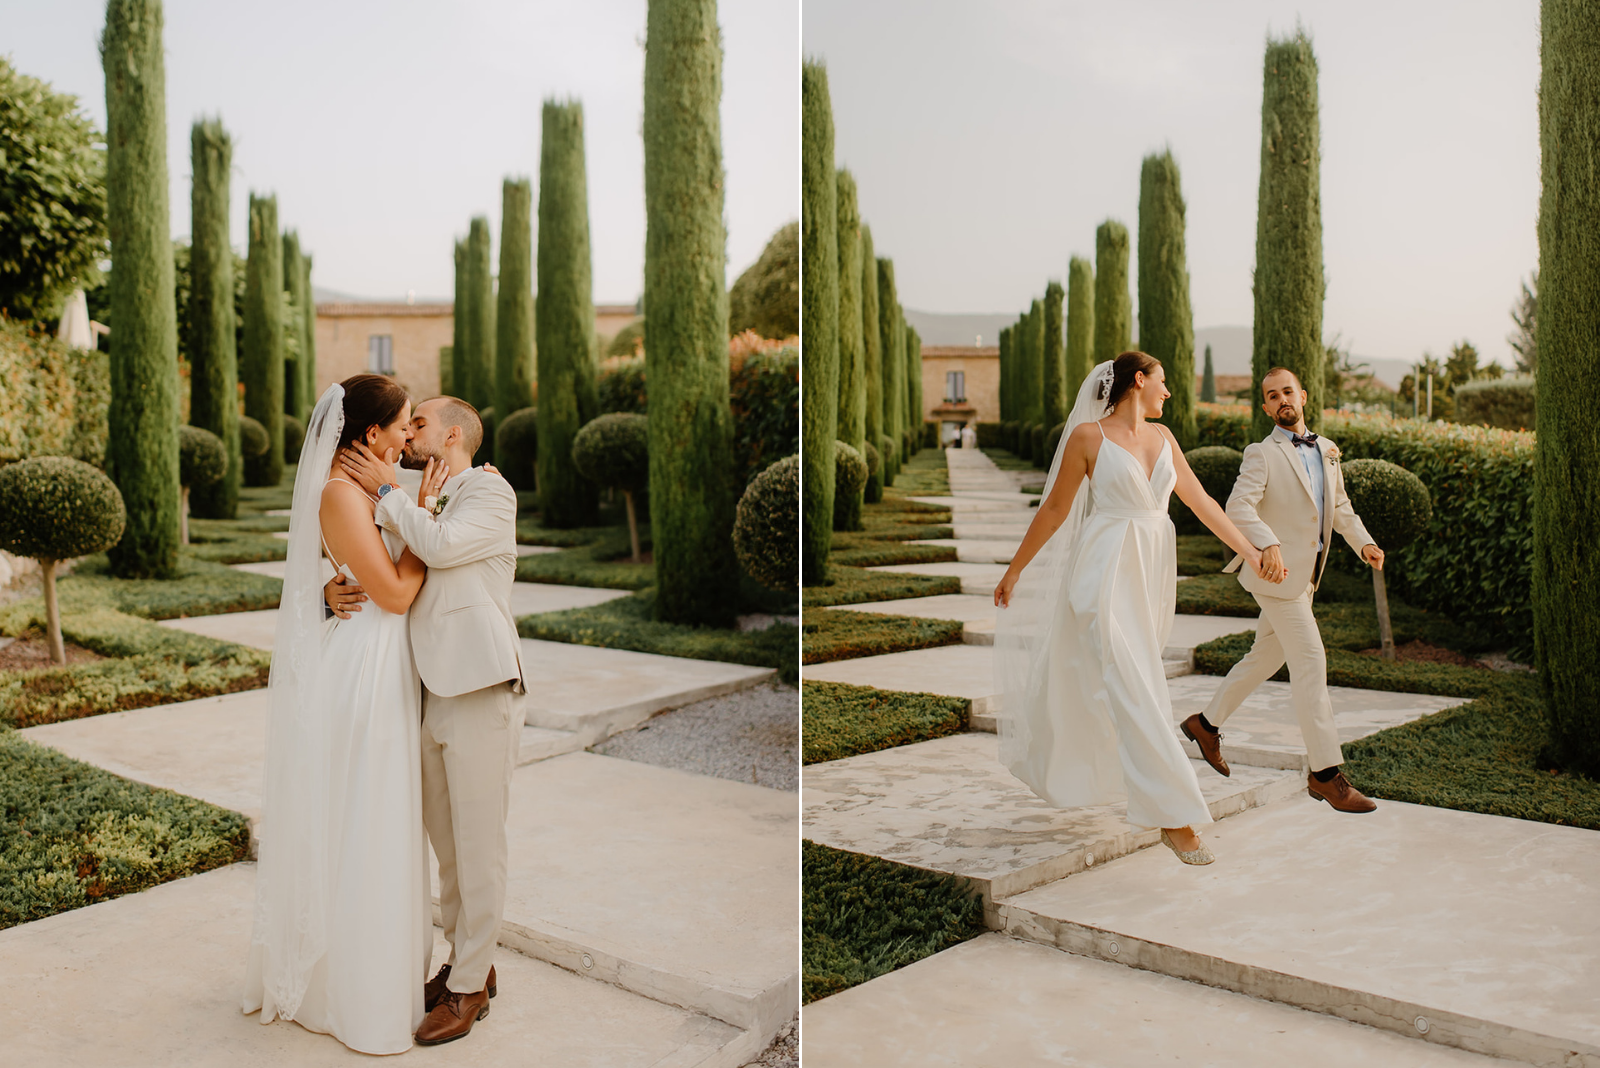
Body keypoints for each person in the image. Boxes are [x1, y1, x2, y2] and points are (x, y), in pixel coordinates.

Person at [992, 353, 1273, 865]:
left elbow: (1202, 502)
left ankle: (1152, 797)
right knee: (1132, 686)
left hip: (1149, 575)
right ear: (1138, 380)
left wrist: (1250, 551)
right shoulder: (1088, 437)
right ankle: (1175, 816)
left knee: (1139, 682)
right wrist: (1015, 570)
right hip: (1101, 572)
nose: (1169, 392)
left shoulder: (1164, 439)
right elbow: (1055, 510)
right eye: (1163, 382)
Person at [243, 374, 441, 1053]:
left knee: (377, 816)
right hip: (365, 670)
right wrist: (423, 518)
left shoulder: (367, 487)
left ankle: (378, 978)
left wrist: (409, 503)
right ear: (371, 432)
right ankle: (350, 995)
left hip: (382, 661)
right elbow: (393, 594)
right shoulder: (339, 492)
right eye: (404, 424)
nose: (410, 436)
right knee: (367, 819)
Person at [332, 395, 525, 1046]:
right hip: (428, 692)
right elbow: (381, 566)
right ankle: (471, 962)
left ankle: (468, 989)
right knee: (450, 851)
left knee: (480, 849)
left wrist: (394, 493)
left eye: (419, 424)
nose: (408, 433)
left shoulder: (490, 492)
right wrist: (328, 591)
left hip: (479, 686)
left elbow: (438, 548)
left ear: (451, 436)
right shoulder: (422, 496)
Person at [1180, 367, 1384, 814]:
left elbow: (1339, 507)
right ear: (1266, 407)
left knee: (1265, 657)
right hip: (1275, 577)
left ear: (1303, 396)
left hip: (1306, 579)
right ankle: (1325, 774)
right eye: (1272, 396)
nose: (1281, 400)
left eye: (1287, 391)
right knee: (1310, 661)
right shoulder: (1261, 453)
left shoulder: (1327, 450)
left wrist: (1364, 542)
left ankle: (1205, 725)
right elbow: (1238, 506)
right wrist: (1267, 542)